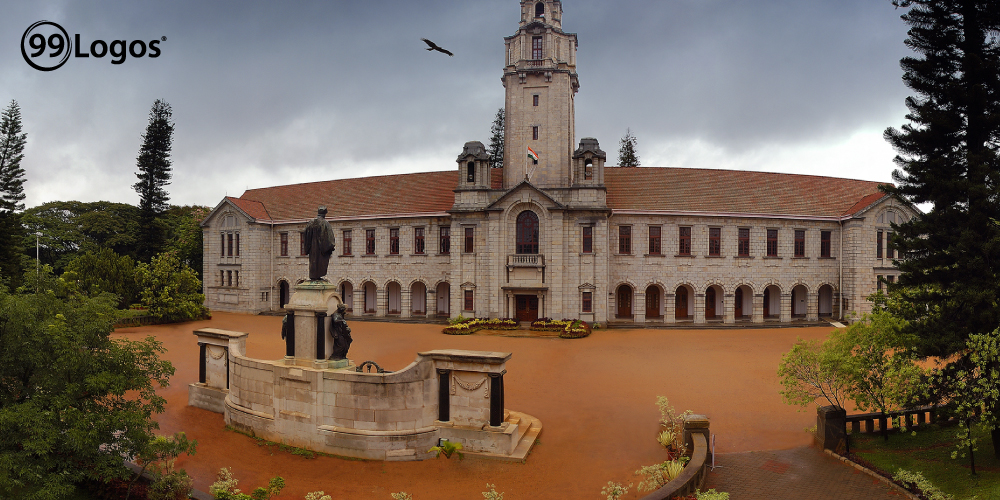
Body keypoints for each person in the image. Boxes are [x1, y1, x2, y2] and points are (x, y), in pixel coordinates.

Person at [304, 206, 336, 281]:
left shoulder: (310, 222)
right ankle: (318, 276)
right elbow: (330, 237)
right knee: (321, 262)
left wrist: (307, 248)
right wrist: (330, 247)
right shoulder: (325, 223)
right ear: (324, 214)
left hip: (312, 248)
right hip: (322, 250)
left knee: (313, 261)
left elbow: (306, 236)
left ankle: (313, 276)